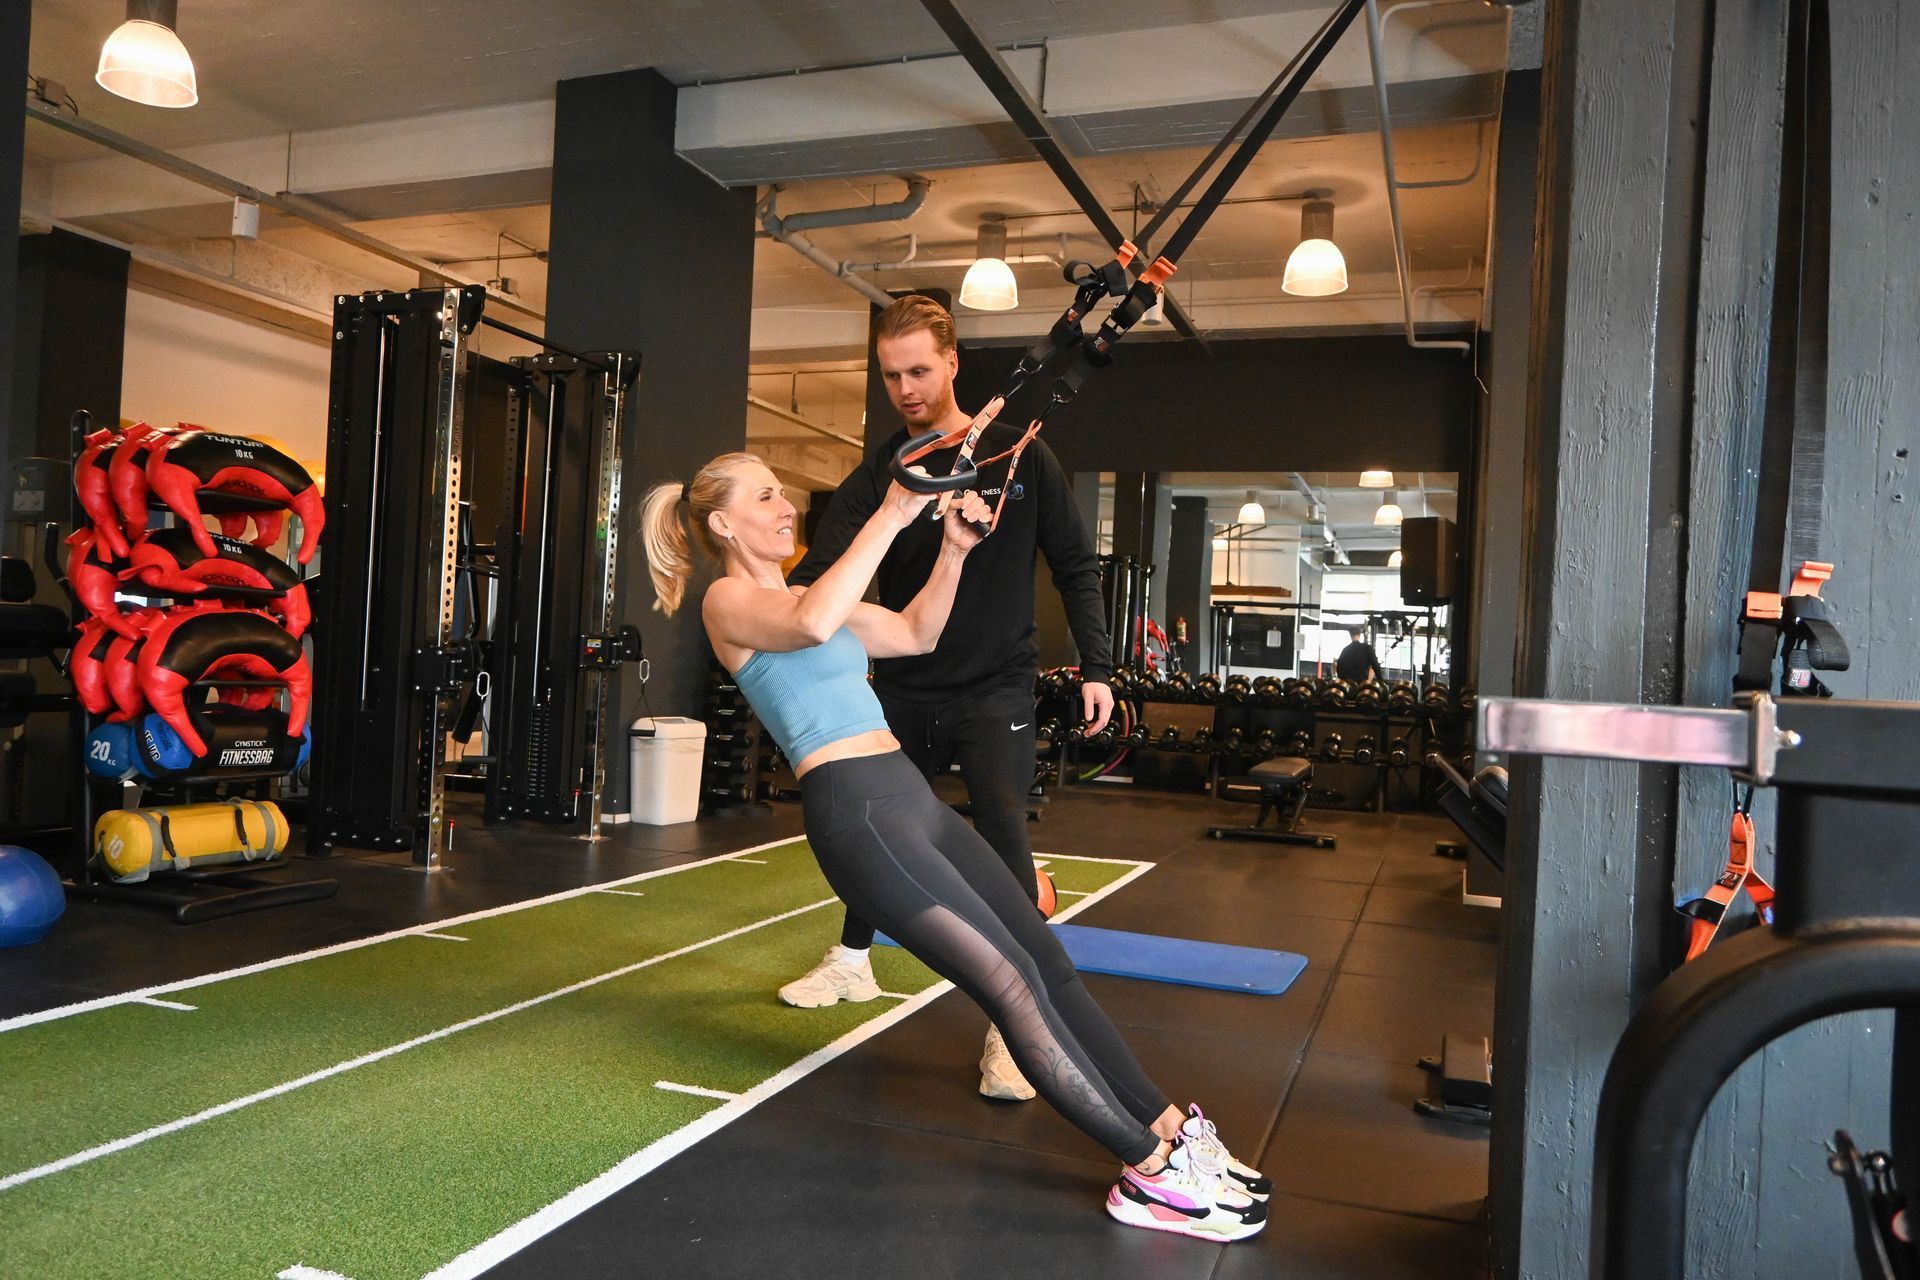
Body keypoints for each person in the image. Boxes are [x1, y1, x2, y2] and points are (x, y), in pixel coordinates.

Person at [638, 451, 1269, 1240]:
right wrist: (894, 511)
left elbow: (915, 631)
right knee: (1008, 988)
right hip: (857, 815)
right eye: (766, 495)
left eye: (782, 492)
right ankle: (1150, 1172)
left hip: (909, 795)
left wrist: (953, 551)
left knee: (1044, 957)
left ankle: (1170, 1125)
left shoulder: (812, 595)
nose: (785, 506)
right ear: (724, 522)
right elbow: (807, 626)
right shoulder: (730, 602)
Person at [776, 295, 1116, 1104]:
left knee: (1002, 839)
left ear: (953, 361)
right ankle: (854, 960)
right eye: (891, 375)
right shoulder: (882, 474)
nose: (906, 387)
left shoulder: (1021, 454)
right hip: (898, 685)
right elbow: (819, 579)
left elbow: (1075, 564)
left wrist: (1099, 667)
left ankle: (1013, 1024)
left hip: (995, 684)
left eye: (920, 370)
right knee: (868, 831)